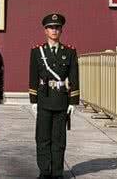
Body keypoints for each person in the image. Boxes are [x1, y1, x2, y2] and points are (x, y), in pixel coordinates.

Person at [29, 13, 79, 179]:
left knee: (59, 140)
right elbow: (33, 76)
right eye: (51, 27)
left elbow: (74, 76)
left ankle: (57, 173)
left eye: (57, 27)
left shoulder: (70, 52)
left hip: (61, 100)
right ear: (45, 30)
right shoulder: (37, 51)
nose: (54, 30)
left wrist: (73, 101)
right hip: (44, 98)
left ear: (61, 30)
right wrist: (33, 101)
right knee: (42, 138)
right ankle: (44, 171)